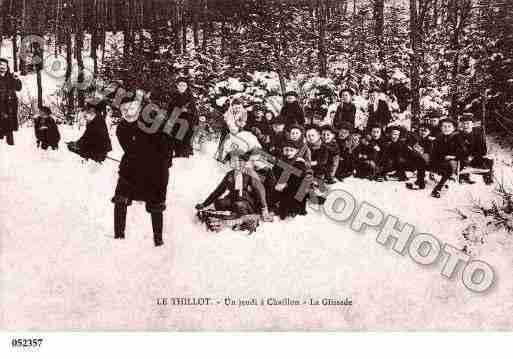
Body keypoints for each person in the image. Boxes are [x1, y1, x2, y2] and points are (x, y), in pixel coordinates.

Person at [111, 95, 175, 246]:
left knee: (156, 205)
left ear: (139, 108)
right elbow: (129, 149)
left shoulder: (154, 123)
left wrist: (163, 163)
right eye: (124, 109)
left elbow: (166, 147)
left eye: (131, 108)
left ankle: (158, 240)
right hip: (131, 169)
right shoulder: (121, 128)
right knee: (120, 198)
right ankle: (118, 237)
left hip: (156, 170)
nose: (128, 112)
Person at [195, 151, 272, 221]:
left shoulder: (249, 173)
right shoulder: (230, 175)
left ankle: (241, 218)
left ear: (244, 163)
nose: (237, 163)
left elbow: (260, 190)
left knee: (238, 205)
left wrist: (264, 208)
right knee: (219, 203)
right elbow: (218, 191)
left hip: (247, 202)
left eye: (240, 161)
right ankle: (219, 215)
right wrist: (204, 204)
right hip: (233, 199)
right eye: (234, 161)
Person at [426, 117, 466, 198]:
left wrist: (453, 156)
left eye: (449, 126)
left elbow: (463, 151)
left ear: (454, 128)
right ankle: (421, 181)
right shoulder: (439, 137)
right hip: (442, 160)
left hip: (455, 161)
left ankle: (438, 188)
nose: (446, 129)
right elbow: (435, 151)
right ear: (441, 128)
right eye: (444, 126)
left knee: (449, 167)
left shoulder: (458, 137)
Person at [273, 139, 309, 219]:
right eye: (286, 150)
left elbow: (299, 179)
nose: (288, 153)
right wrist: (278, 183)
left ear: (296, 151)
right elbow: (275, 173)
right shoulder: (280, 161)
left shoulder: (299, 163)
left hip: (295, 187)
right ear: (283, 150)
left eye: (291, 150)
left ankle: (295, 209)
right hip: (282, 186)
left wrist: (286, 184)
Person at [457, 113, 494, 185]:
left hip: (475, 157)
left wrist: (473, 156)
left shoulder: (478, 135)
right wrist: (465, 156)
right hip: (463, 158)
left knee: (489, 160)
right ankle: (463, 177)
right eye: (464, 124)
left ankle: (488, 178)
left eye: (467, 123)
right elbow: (457, 148)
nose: (465, 126)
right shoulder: (459, 135)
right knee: (460, 160)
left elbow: (483, 149)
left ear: (472, 124)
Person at [167, 77, 198, 158]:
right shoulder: (173, 96)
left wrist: (187, 110)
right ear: (177, 86)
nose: (182, 87)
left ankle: (185, 154)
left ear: (187, 87)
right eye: (180, 85)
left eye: (184, 85)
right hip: (175, 120)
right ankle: (176, 153)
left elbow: (194, 111)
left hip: (187, 121)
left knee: (186, 136)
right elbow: (169, 109)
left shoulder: (190, 97)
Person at [0, 58, 22, 146]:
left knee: (9, 128)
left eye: (4, 65)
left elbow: (18, 88)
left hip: (9, 106)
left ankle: (10, 147)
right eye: (0, 65)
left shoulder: (11, 76)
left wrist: (16, 79)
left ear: (7, 67)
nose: (2, 67)